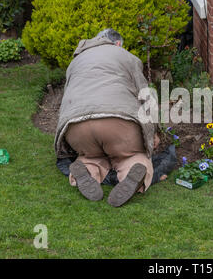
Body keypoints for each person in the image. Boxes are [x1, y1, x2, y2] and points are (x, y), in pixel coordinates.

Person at [54, 28, 160, 207]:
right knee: (131, 155)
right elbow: (146, 96)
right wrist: (153, 131)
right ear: (117, 43)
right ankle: (132, 172)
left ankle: (87, 170)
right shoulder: (125, 56)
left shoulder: (75, 62)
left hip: (76, 128)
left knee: (91, 155)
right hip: (117, 124)